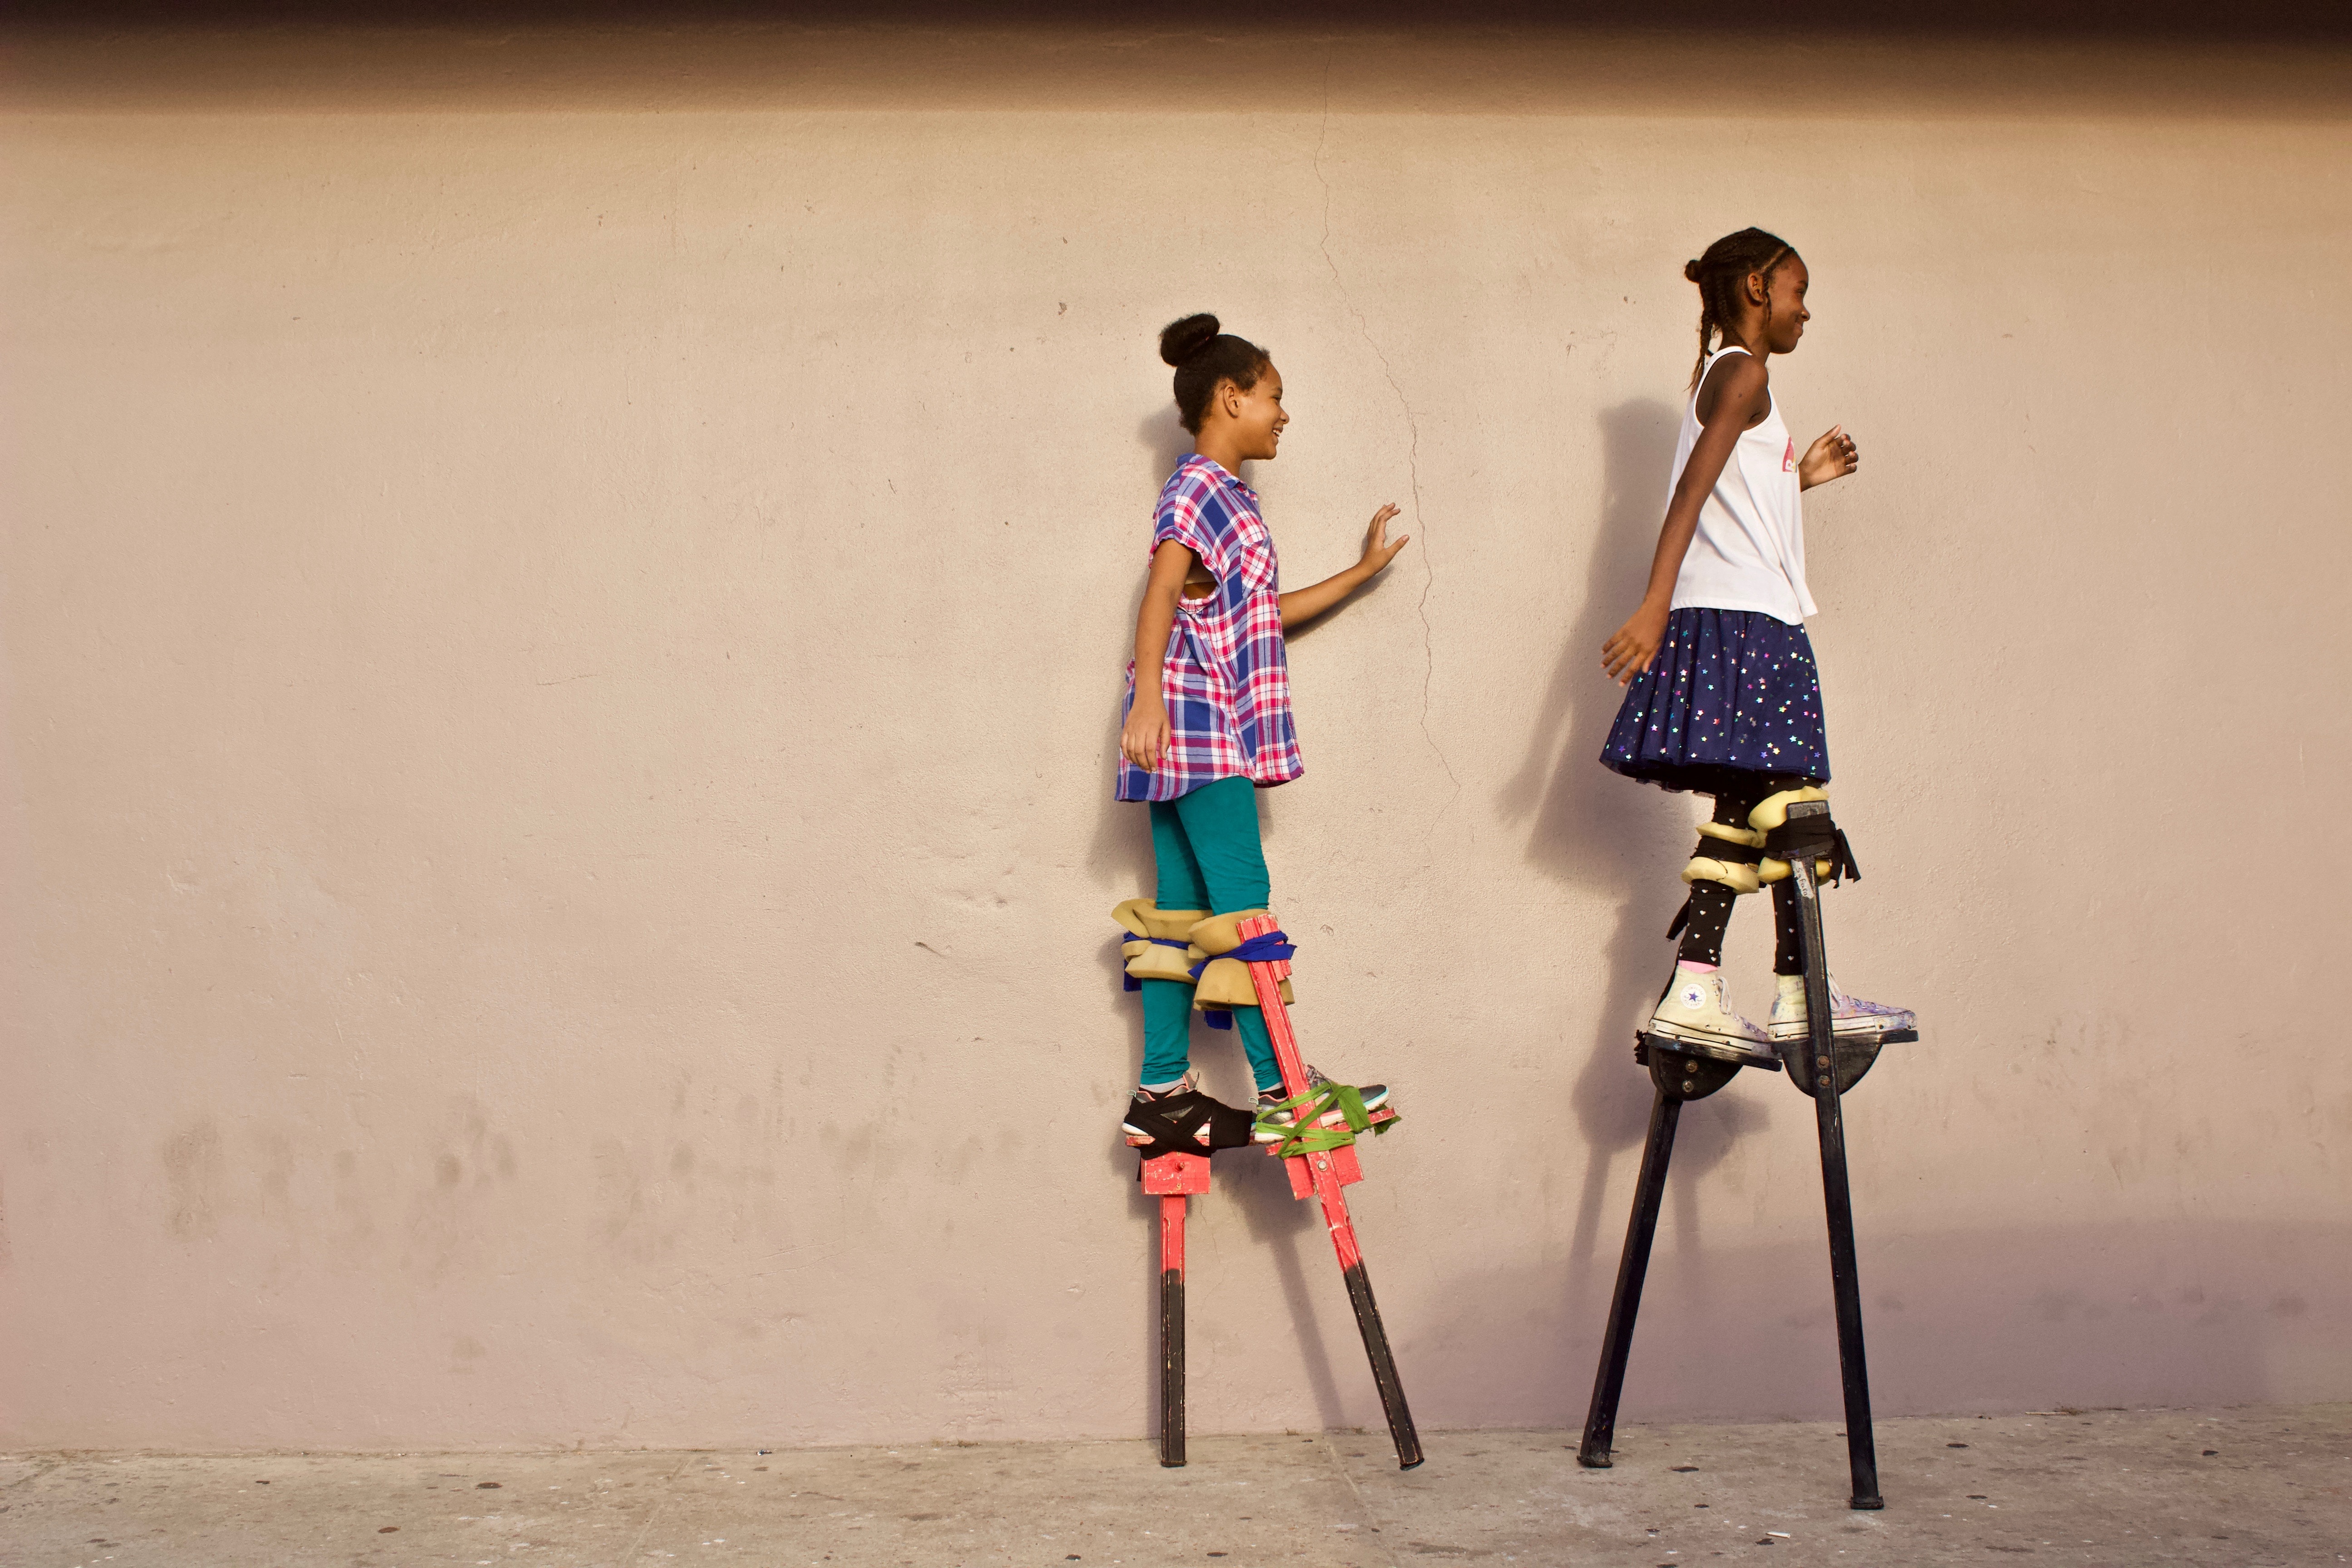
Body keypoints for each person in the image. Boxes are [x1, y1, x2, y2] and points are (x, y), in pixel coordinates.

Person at [1599, 229, 1913, 1053]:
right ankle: (1800, 993)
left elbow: (1734, 493)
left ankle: (1699, 985)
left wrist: (1797, 478)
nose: (1806, 310)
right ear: (1753, 289)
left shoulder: (1727, 376)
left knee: (1751, 804)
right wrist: (1653, 605)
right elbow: (1692, 490)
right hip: (1749, 623)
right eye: (1797, 291)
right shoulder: (1745, 372)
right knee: (1799, 805)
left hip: (1732, 613)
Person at [1113, 313, 1406, 1157]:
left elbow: (1256, 619)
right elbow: (1162, 593)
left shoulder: (1223, 496)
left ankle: (1163, 1092)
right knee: (1245, 912)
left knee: (1179, 917)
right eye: (1274, 397)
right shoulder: (1200, 489)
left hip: (1187, 732)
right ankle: (1285, 1091)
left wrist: (1360, 573)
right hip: (1196, 728)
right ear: (1230, 396)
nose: (1284, 415)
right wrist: (1146, 706)